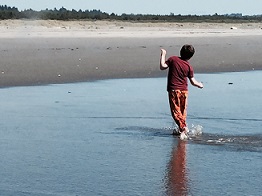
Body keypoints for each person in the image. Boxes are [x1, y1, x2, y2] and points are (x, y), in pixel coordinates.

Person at [160, 44, 203, 140]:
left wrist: (163, 54)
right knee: (182, 112)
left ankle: (183, 128)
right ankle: (182, 129)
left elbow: (162, 66)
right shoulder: (189, 67)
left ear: (180, 51)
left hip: (174, 90)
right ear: (191, 56)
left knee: (176, 111)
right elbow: (193, 81)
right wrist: (199, 84)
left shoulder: (173, 59)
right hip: (184, 91)